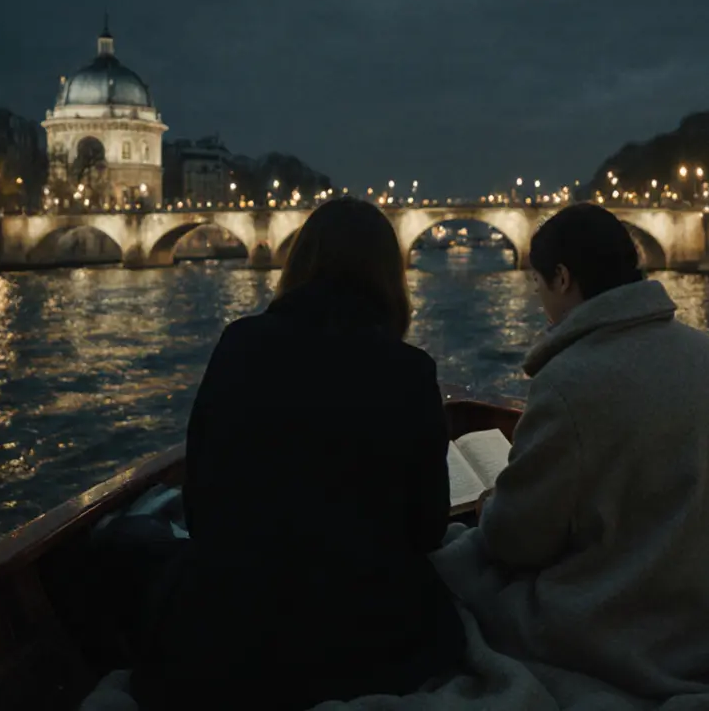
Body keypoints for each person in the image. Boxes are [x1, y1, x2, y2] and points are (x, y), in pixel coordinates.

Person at [436, 203, 709, 708]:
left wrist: (490, 506)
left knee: (456, 571)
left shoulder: (566, 382)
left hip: (629, 631)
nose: (540, 302)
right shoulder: (703, 352)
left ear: (563, 278)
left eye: (538, 284)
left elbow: (517, 542)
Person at [131, 198, 465, 710]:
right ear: (388, 275)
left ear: (300, 263)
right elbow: (426, 530)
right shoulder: (409, 371)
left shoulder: (238, 344)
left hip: (227, 635)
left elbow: (202, 510)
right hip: (366, 641)